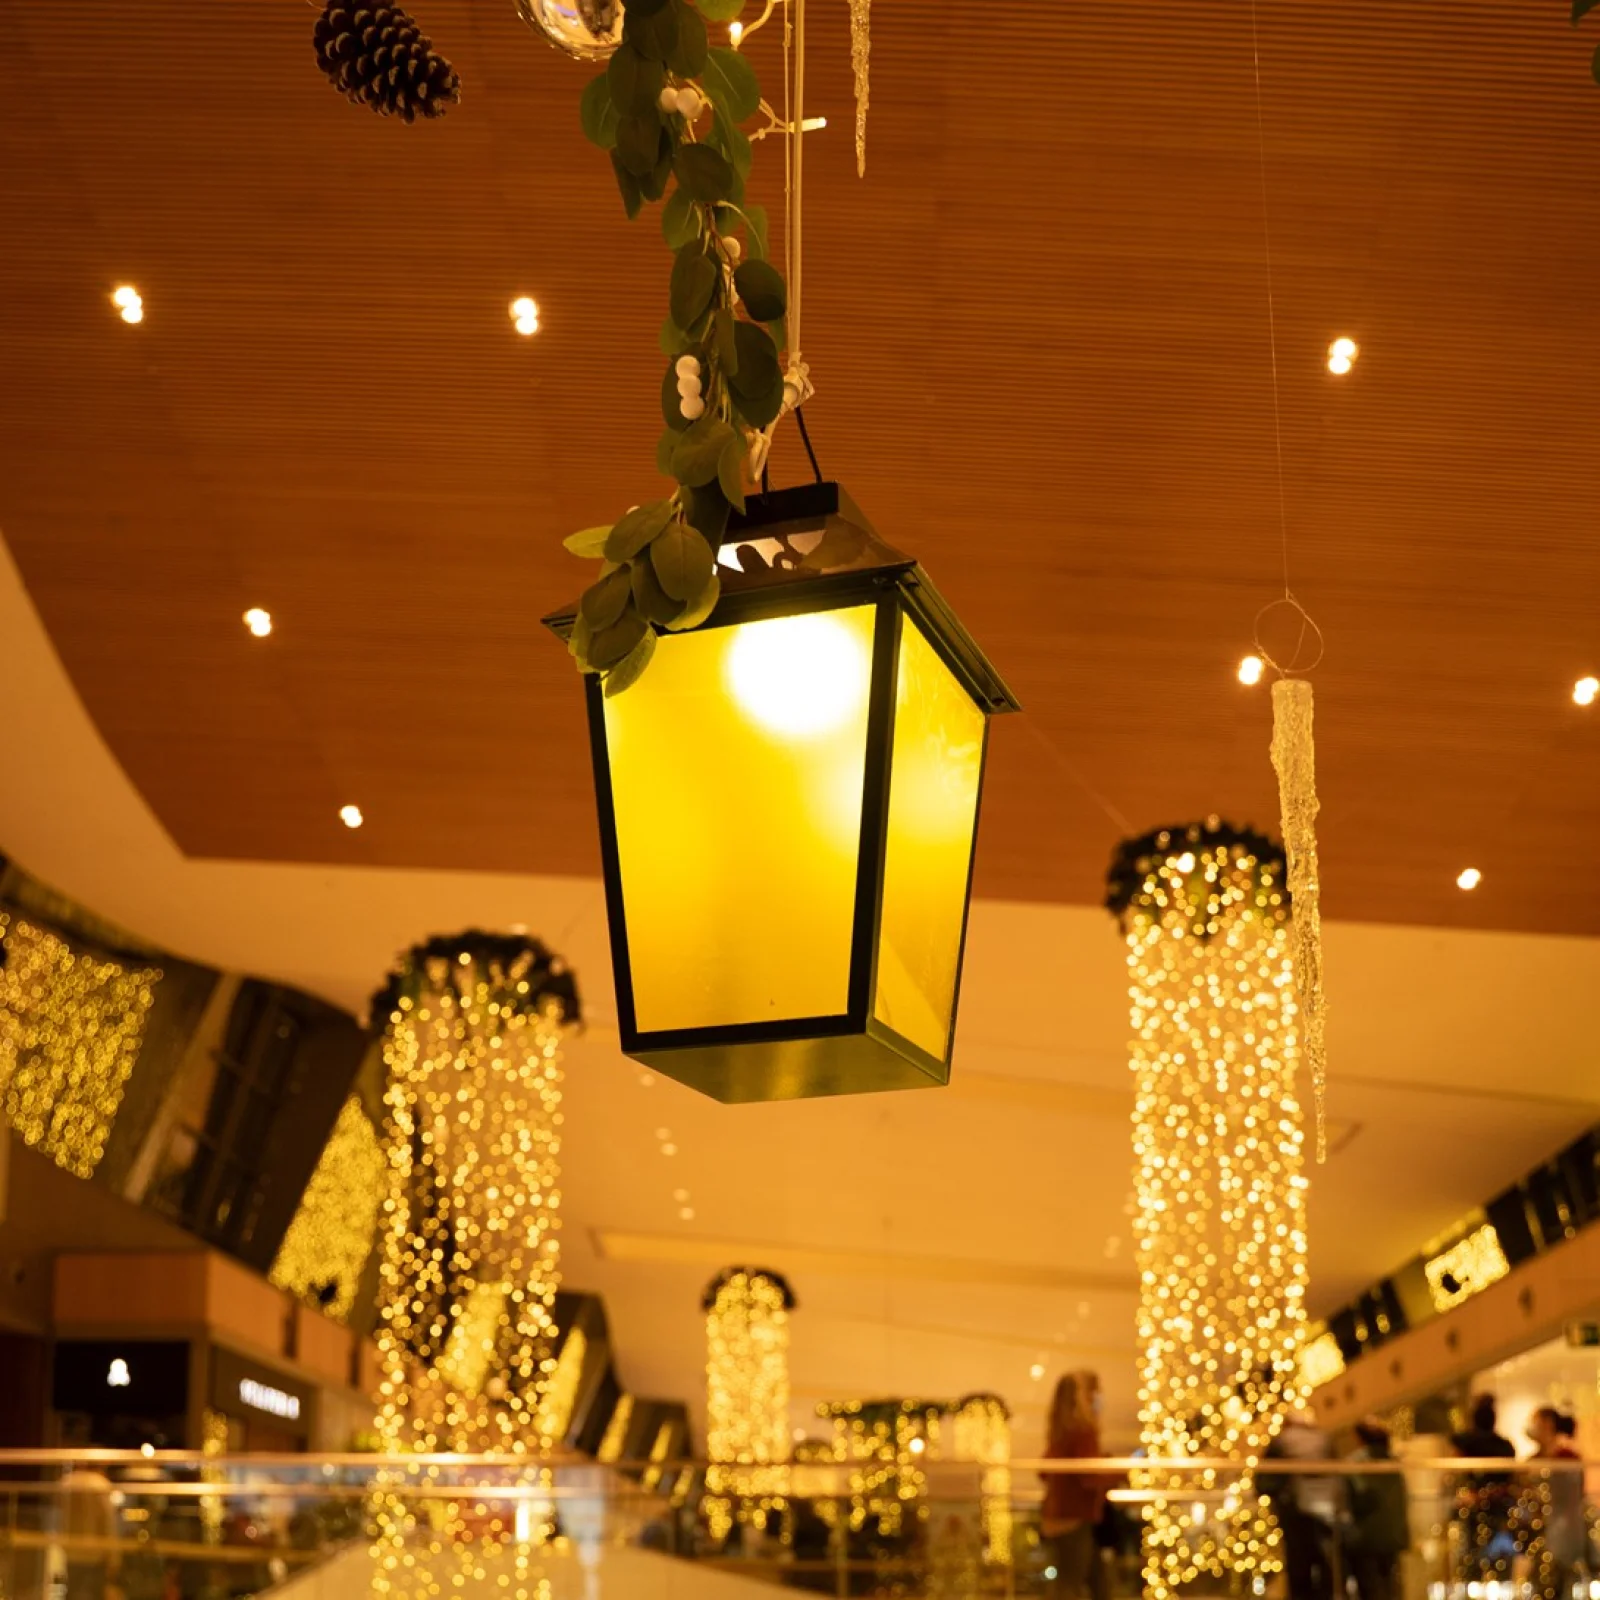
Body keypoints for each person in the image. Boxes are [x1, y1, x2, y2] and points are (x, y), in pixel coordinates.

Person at [1039, 1372, 1107, 1598]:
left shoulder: (1060, 1431)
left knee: (1087, 1581)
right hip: (1073, 1518)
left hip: (1057, 1516)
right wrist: (1121, 1471)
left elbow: (1043, 1471)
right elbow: (1089, 1476)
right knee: (1071, 1586)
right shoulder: (1082, 1430)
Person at [1262, 1409, 1340, 1600]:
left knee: (1299, 1566)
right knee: (1326, 1564)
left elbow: (1263, 1479)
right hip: (1326, 1508)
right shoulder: (1324, 1439)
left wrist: (1276, 1495)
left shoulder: (1281, 1441)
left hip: (1295, 1508)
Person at [1451, 1393, 1517, 1584]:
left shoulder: (1467, 1443)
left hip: (1475, 1512)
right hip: (1499, 1510)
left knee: (1472, 1562)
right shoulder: (1504, 1447)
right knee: (1499, 1563)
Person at [1342, 1417, 1409, 1600]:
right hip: (1391, 1537)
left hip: (1365, 1537)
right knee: (1389, 1588)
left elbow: (1357, 1500)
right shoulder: (1393, 1463)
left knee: (1370, 1589)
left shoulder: (1355, 1463)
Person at [1524, 1406, 1584, 1600]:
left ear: (1547, 1424)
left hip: (1562, 1531)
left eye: (1535, 1422)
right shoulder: (1534, 1459)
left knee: (1561, 1581)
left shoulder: (1566, 1458)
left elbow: (1572, 1496)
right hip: (1537, 1532)